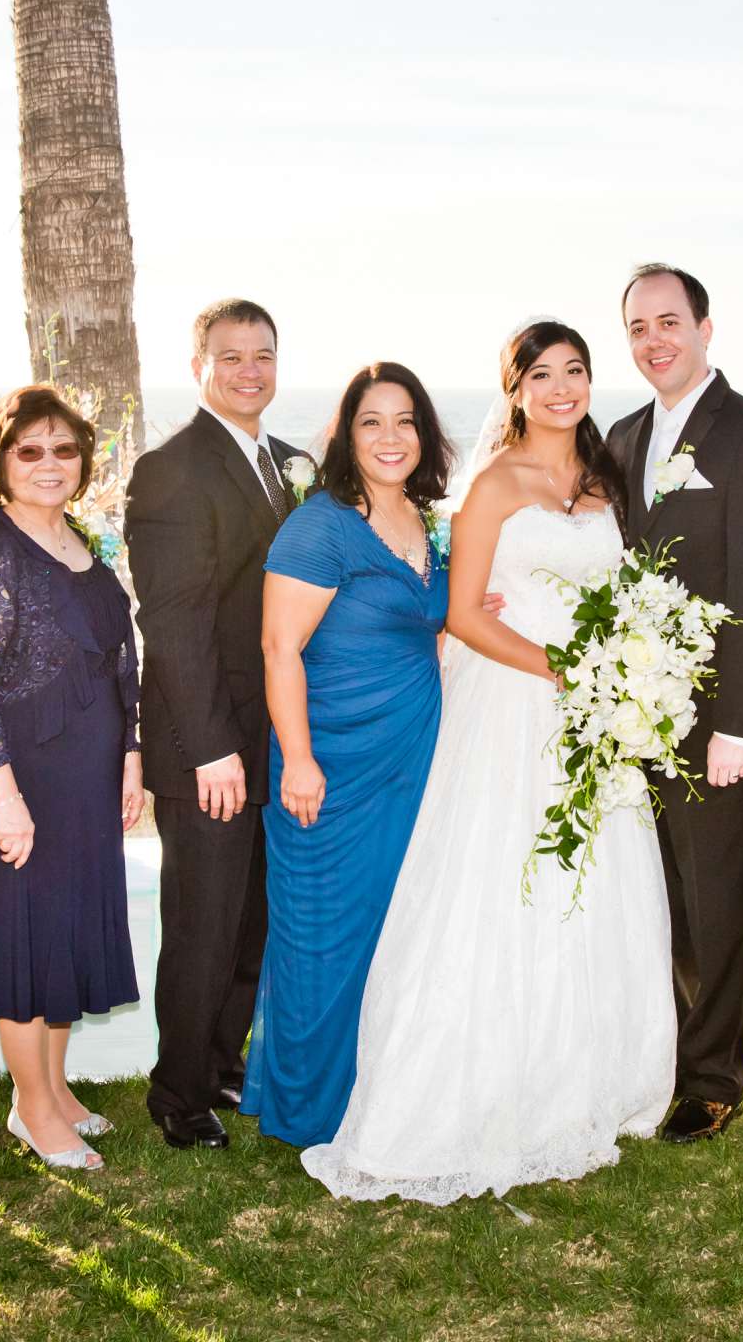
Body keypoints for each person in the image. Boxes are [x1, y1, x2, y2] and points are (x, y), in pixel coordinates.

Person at [303, 321, 675, 1201]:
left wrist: (625, 675)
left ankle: (585, 1082)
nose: (559, 389)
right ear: (513, 389)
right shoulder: (493, 485)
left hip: (594, 713)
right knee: (501, 889)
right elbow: (466, 613)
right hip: (514, 708)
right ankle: (457, 1101)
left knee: (592, 888)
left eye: (574, 371)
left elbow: (619, 590)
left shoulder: (605, 478)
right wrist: (566, 673)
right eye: (539, 375)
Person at [605, 265, 743, 1141]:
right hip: (629, 713)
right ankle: (659, 1053)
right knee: (655, 896)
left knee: (714, 899)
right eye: (639, 327)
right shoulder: (621, 436)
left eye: (670, 322)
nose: (656, 341)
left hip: (712, 717)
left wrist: (738, 726)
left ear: (707, 328)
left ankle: (715, 1077)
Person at [245, 363, 455, 1147]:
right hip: (330, 762)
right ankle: (310, 1114)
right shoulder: (322, 523)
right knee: (319, 936)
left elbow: (422, 622)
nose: (391, 438)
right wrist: (297, 759)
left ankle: (378, 1094)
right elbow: (278, 647)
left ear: (425, 435)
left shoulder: (424, 522)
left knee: (392, 932)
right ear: (348, 433)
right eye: (373, 422)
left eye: (406, 421)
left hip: (411, 759)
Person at [125, 299, 311, 1150]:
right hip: (209, 745)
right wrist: (211, 750)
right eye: (231, 357)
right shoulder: (173, 469)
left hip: (270, 737)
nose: (249, 371)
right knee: (202, 923)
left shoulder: (283, 462)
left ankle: (223, 1062)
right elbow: (173, 622)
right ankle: (179, 1093)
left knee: (251, 921)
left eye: (262, 356)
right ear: (199, 365)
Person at [0, 386, 146, 1172]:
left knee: (64, 931)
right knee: (27, 937)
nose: (49, 464)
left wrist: (129, 756)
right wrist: (3, 799)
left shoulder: (79, 541)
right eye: (29, 450)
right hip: (25, 778)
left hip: (89, 778)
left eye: (64, 450)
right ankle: (32, 1110)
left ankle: (57, 1090)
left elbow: (120, 659)